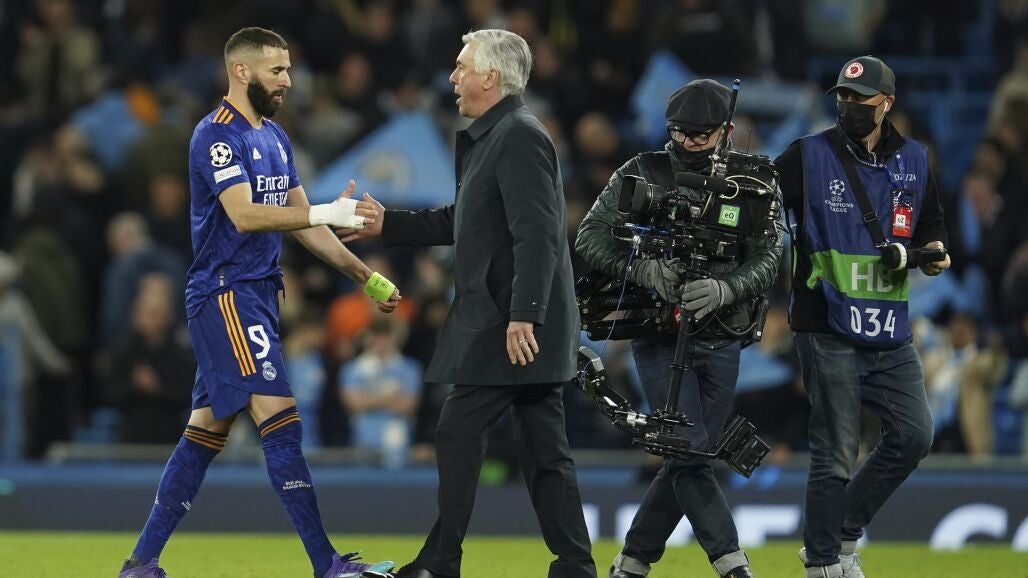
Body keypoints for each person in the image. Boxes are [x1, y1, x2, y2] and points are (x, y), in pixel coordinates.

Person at [118, 27, 400, 578]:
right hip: (226, 294)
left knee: (206, 431)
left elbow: (305, 224)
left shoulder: (275, 137)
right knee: (281, 418)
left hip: (257, 294)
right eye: (277, 70)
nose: (288, 80)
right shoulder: (216, 136)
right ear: (241, 71)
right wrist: (322, 211)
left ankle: (140, 564)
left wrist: (365, 277)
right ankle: (327, 564)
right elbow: (245, 215)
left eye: (288, 69)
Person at [339, 29, 595, 578]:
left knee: (459, 430)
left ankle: (440, 562)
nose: (452, 78)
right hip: (514, 320)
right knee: (544, 451)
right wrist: (391, 224)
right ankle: (574, 566)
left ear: (491, 77)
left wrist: (525, 313)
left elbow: (538, 234)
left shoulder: (519, 136)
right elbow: (466, 220)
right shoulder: (498, 136)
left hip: (512, 323)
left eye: (461, 67)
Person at [575, 79, 785, 578]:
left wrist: (726, 288)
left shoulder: (754, 181)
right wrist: (642, 268)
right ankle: (733, 566)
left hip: (724, 332)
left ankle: (631, 563)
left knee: (687, 455)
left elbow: (769, 255)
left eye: (700, 134)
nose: (688, 142)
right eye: (679, 132)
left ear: (726, 130)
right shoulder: (642, 170)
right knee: (688, 450)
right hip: (657, 332)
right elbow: (589, 235)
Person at [774, 55, 950, 578]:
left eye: (860, 98)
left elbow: (935, 236)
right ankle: (823, 563)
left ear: (886, 103)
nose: (848, 105)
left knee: (915, 435)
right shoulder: (806, 155)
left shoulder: (915, 161)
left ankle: (841, 530)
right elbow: (762, 205)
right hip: (825, 324)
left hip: (888, 328)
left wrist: (924, 256)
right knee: (835, 450)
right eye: (843, 96)